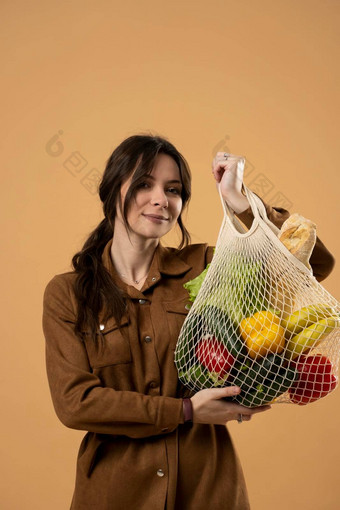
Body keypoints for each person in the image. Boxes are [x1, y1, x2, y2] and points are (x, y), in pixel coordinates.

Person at [42, 134, 335, 510]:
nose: (161, 199)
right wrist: (186, 411)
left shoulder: (206, 268)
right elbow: (76, 403)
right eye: (144, 184)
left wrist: (241, 201)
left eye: (174, 189)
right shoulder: (69, 294)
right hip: (115, 494)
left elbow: (316, 264)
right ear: (113, 189)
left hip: (209, 491)